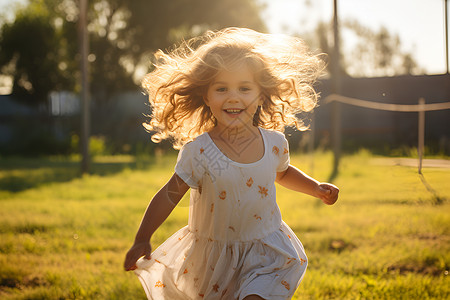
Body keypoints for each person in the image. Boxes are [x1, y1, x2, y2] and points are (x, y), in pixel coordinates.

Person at [124, 27, 339, 300]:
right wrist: (143, 236)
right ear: (207, 97)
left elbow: (282, 173)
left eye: (244, 88)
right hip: (214, 259)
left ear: (260, 95)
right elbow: (169, 193)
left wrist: (315, 188)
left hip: (264, 250)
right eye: (222, 88)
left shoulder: (274, 142)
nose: (233, 97)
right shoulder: (202, 152)